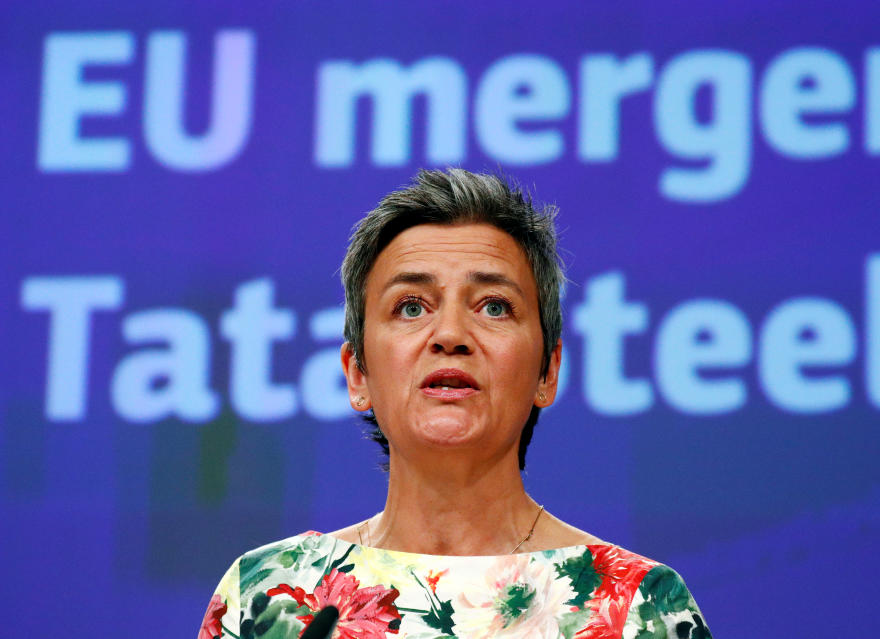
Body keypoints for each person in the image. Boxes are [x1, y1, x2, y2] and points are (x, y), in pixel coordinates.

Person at [198, 169, 711, 639]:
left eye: (493, 306)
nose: (449, 335)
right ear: (358, 373)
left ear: (547, 372)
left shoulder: (639, 607)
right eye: (411, 306)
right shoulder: (267, 596)